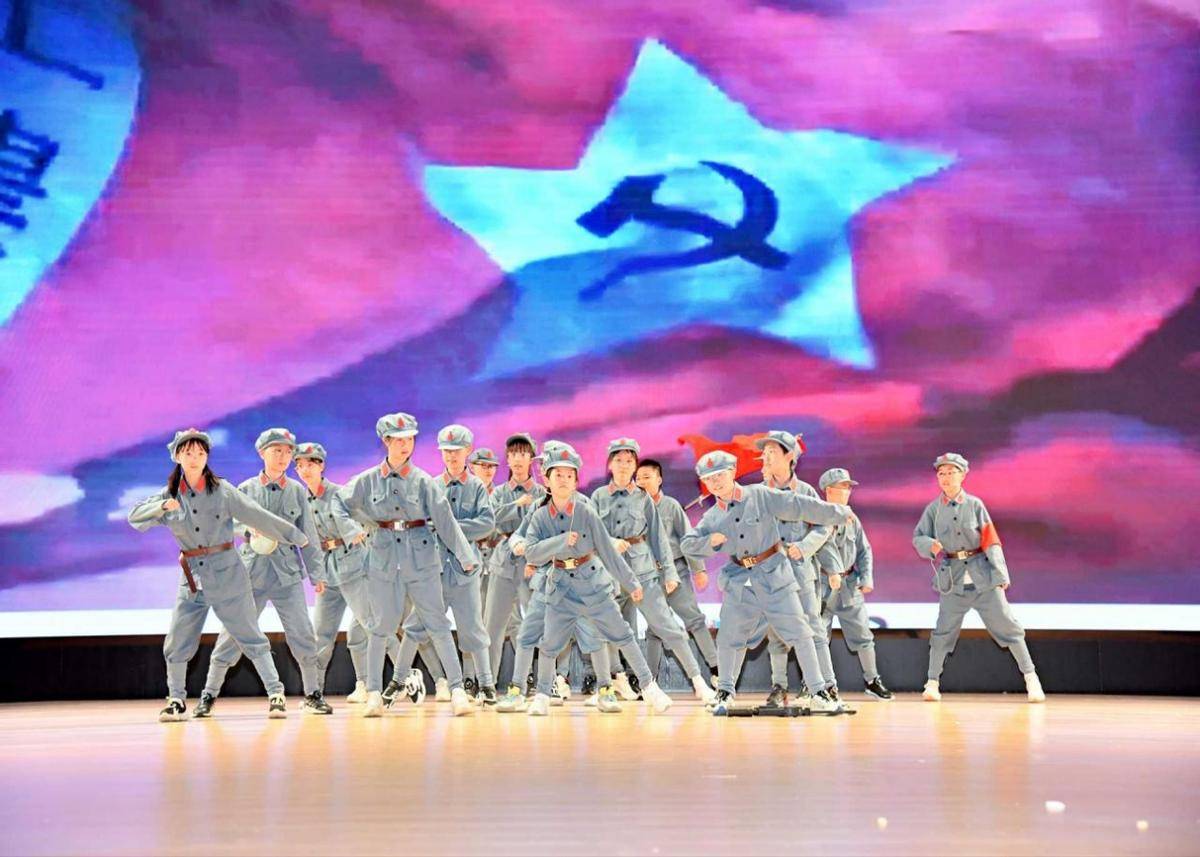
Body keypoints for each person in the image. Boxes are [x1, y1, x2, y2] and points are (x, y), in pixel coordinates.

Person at [128, 429, 307, 721]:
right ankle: (176, 700)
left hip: (228, 575)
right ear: (177, 456)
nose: (195, 458)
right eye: (188, 453)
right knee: (178, 640)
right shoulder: (170, 495)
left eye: (200, 453)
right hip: (192, 578)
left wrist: (294, 536)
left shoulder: (222, 490)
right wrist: (161, 506)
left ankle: (276, 694)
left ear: (207, 457)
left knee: (249, 635)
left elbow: (256, 514)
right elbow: (135, 518)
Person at [680, 451, 853, 715]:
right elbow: (687, 544)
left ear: (733, 472)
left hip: (775, 577)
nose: (715, 482)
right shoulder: (712, 517)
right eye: (709, 479)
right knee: (729, 639)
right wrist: (709, 542)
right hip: (740, 583)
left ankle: (818, 691)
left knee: (801, 633)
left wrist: (838, 512)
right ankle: (724, 693)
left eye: (720, 475)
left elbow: (798, 505)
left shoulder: (759, 495)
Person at [335, 413, 479, 716]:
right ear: (386, 441)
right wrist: (351, 529)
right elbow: (339, 503)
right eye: (399, 440)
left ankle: (457, 691)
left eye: (410, 439)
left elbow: (445, 520)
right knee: (380, 627)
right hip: (384, 559)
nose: (406, 445)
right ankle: (374, 694)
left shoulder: (423, 481)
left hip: (422, 558)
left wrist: (465, 556)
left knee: (438, 624)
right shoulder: (367, 480)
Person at [199, 428, 331, 716]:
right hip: (250, 575)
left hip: (286, 576)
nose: (283, 457)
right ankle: (208, 694)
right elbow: (225, 522)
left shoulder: (297, 491)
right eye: (276, 451)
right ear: (262, 453)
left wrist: (317, 574)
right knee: (233, 634)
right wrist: (247, 528)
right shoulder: (246, 489)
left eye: (287, 452)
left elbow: (308, 534)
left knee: (302, 634)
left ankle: (313, 693)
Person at [912, 453, 1044, 703]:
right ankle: (932, 682)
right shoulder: (933, 510)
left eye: (951, 472)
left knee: (1008, 627)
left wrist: (1001, 573)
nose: (946, 478)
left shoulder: (975, 505)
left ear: (963, 475)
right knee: (942, 633)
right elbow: (918, 537)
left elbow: (990, 540)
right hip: (953, 581)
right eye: (941, 473)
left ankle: (1031, 678)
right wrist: (930, 545)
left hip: (983, 578)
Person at [813, 468, 892, 700]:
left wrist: (866, 578)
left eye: (849, 487)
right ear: (829, 490)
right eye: (843, 487)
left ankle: (872, 680)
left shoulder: (852, 519)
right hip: (822, 587)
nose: (848, 491)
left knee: (863, 635)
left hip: (848, 585)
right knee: (818, 637)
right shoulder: (815, 517)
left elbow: (864, 550)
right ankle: (817, 684)